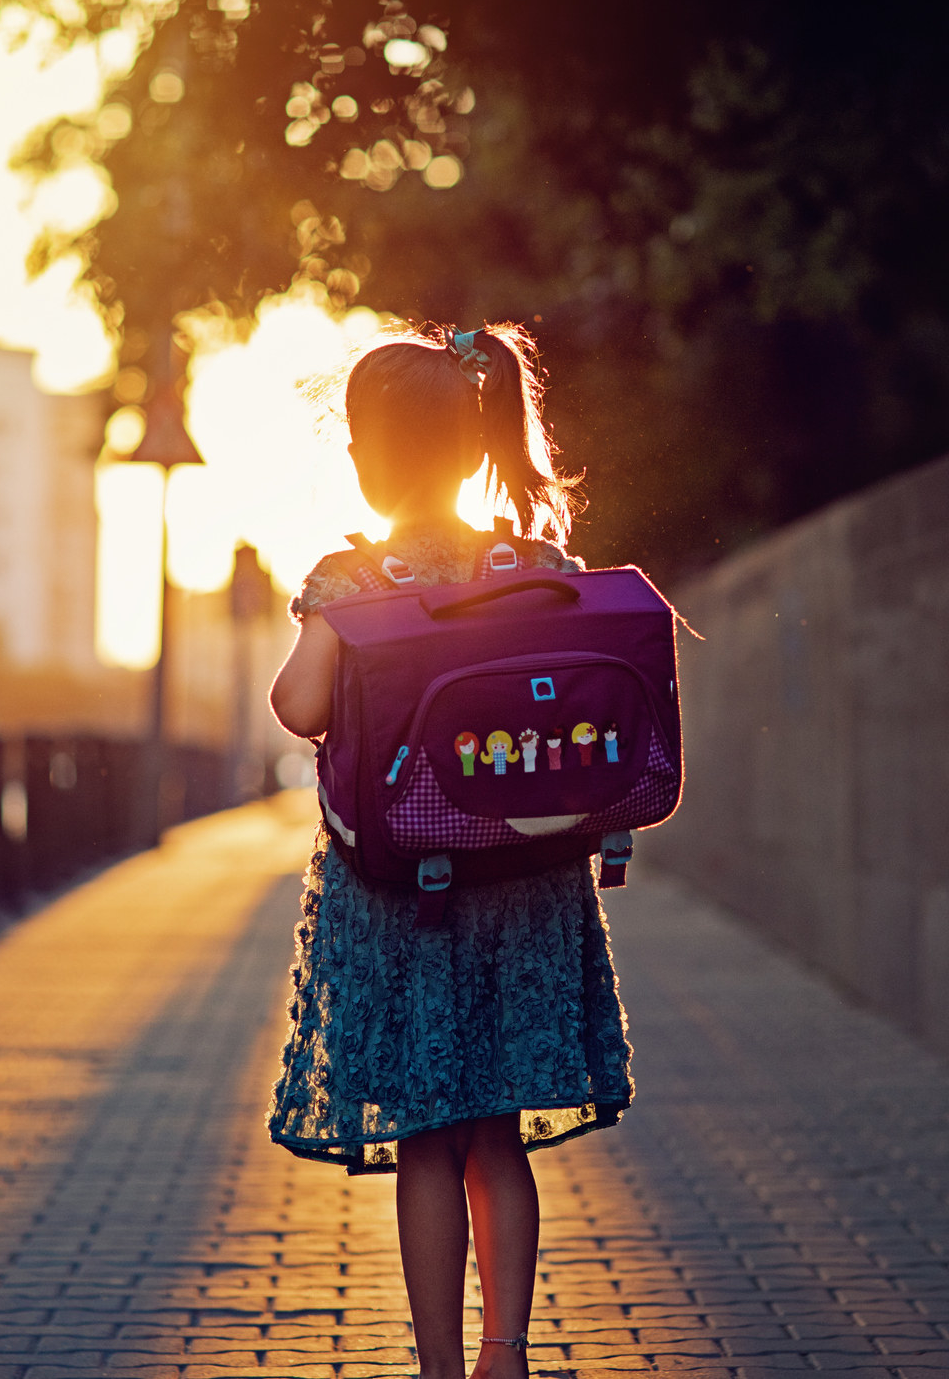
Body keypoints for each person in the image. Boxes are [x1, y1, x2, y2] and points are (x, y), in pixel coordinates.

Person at [267, 324, 634, 1379]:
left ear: (366, 459)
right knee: (498, 1130)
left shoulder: (352, 580)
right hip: (525, 885)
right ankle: (505, 1355)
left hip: (403, 897)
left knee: (427, 1134)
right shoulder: (537, 568)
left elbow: (298, 705)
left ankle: (436, 1363)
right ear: (477, 443)